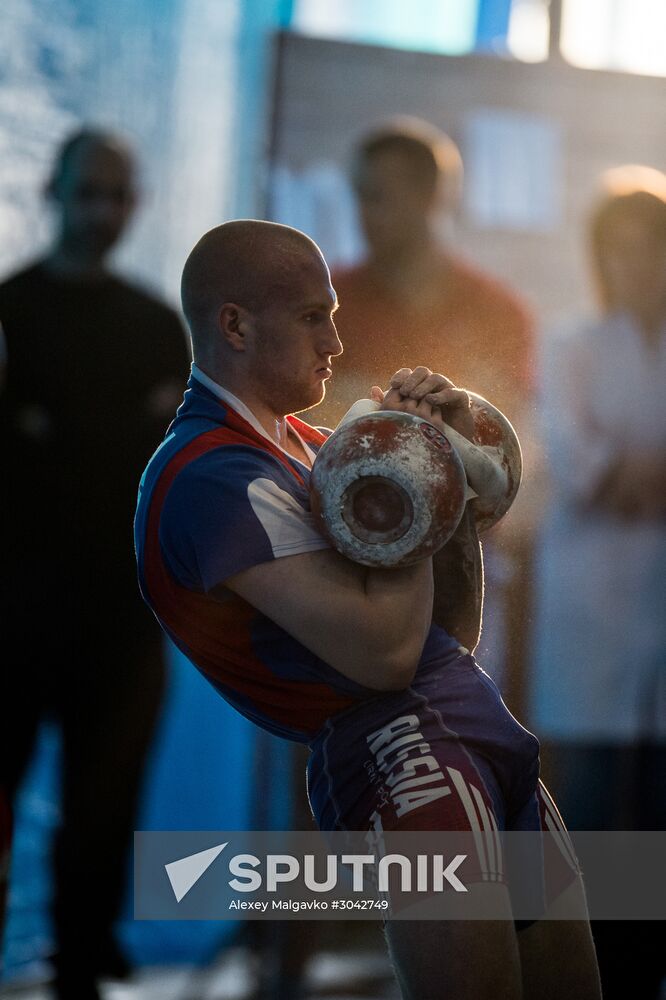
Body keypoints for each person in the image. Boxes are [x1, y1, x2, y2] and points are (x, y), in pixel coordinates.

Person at [135, 219, 601, 1000]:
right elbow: (383, 660)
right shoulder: (209, 479)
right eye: (314, 316)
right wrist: (405, 468)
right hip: (399, 750)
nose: (336, 343)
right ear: (237, 325)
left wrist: (438, 466)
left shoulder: (310, 446)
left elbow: (446, 637)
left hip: (471, 718)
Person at [0, 128, 190, 999]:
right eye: (89, 191)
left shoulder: (157, 328)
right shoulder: (12, 313)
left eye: (117, 193)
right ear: (54, 190)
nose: (102, 211)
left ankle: (81, 973)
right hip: (13, 615)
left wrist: (50, 431)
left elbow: (173, 467)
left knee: (102, 824)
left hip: (120, 623)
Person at [309, 119, 538, 711]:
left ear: (432, 197)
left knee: (452, 747)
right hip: (339, 564)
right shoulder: (328, 305)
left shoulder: (496, 313)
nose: (363, 212)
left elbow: (506, 450)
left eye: (378, 196)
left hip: (456, 568)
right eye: (358, 195)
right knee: (334, 759)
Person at [531, 165, 666, 999]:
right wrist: (630, 472)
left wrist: (628, 468)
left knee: (655, 821)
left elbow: (620, 468)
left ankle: (641, 977)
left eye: (648, 249)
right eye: (616, 251)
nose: (633, 267)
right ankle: (579, 980)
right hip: (589, 615)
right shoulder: (570, 346)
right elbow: (586, 470)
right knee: (580, 813)